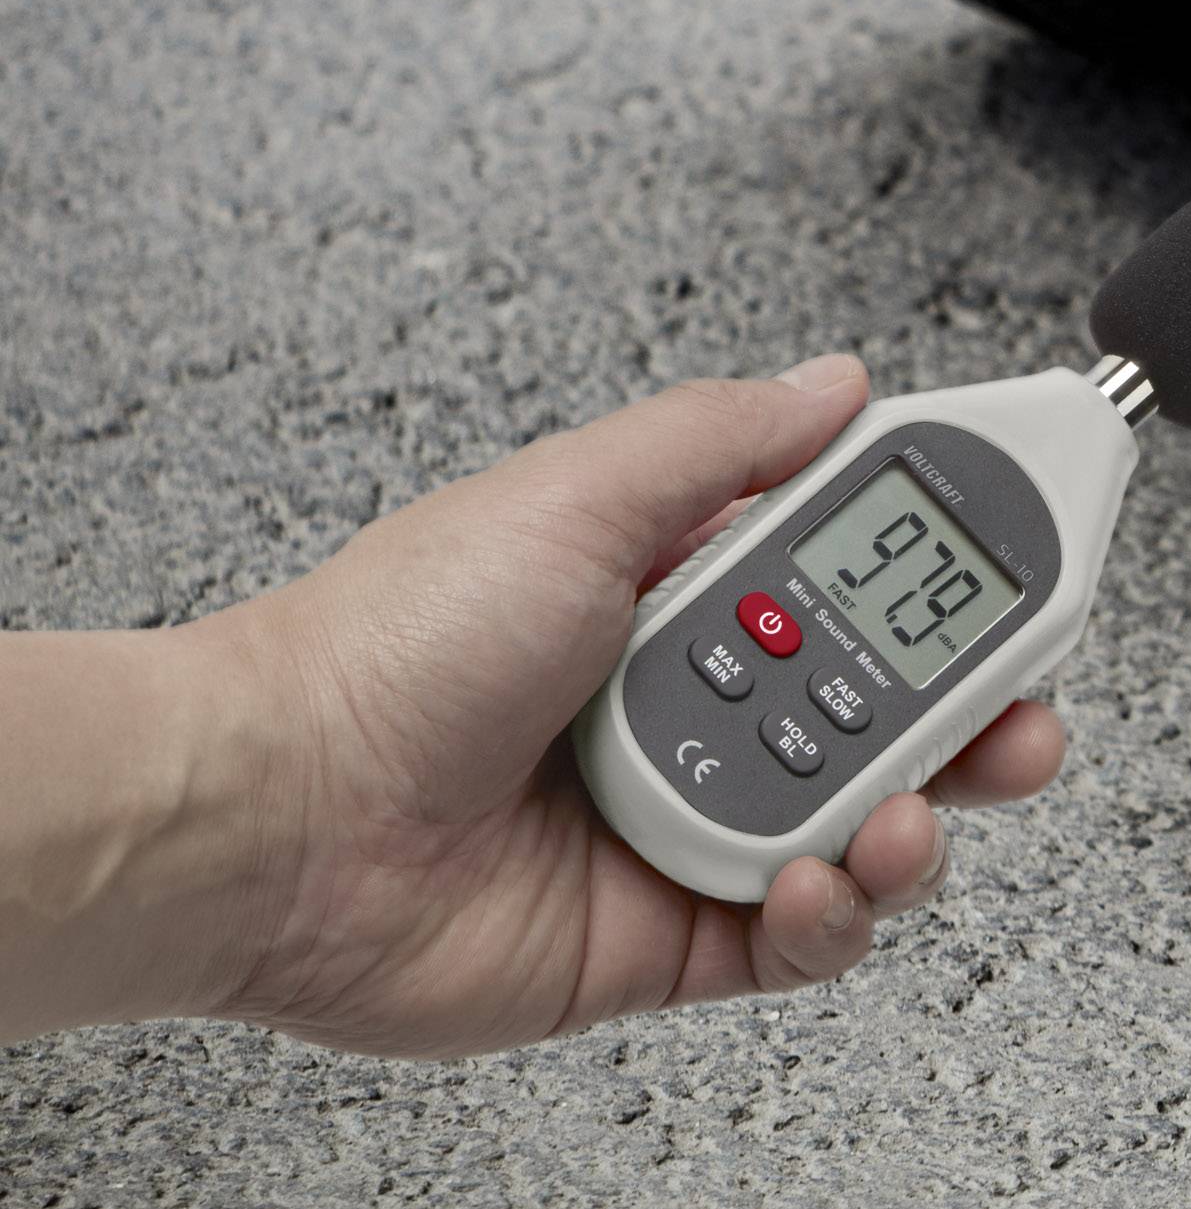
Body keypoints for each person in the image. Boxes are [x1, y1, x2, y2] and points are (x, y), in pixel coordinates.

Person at [0, 355, 1066, 1059]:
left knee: (956, 787)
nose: (785, 646)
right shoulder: (995, 500)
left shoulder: (1038, 548)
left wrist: (306, 804)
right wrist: (325, 749)